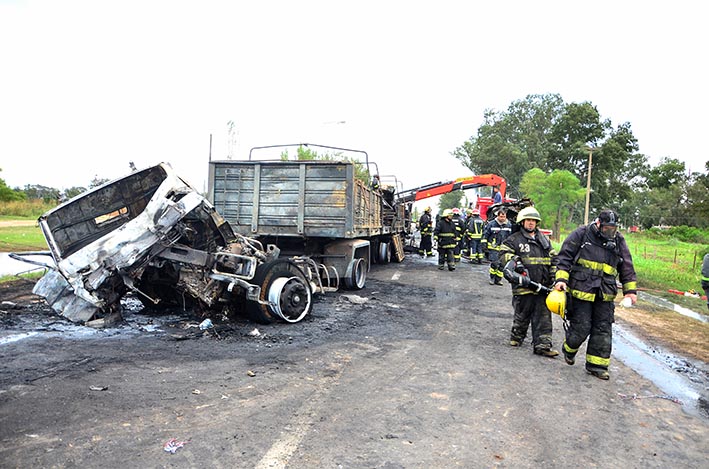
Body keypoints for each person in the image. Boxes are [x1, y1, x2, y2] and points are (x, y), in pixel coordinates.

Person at [553, 209, 638, 380]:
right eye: (606, 228)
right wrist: (561, 279)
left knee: (603, 329)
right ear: (598, 224)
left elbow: (626, 266)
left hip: (605, 293)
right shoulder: (581, 234)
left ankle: (597, 366)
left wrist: (630, 292)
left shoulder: (618, 240)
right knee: (581, 328)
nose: (609, 232)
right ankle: (569, 348)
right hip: (581, 291)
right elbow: (564, 258)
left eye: (613, 229)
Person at [500, 207, 559, 357]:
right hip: (523, 286)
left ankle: (543, 345)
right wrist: (515, 262)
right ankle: (517, 336)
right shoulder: (514, 239)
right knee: (522, 313)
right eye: (528, 220)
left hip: (543, 285)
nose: (531, 223)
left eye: (533, 220)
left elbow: (553, 258)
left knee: (543, 316)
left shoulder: (544, 240)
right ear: (522, 222)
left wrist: (554, 274)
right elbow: (504, 253)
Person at [482, 209, 512, 285]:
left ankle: (498, 280)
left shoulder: (509, 225)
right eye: (501, 216)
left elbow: (511, 237)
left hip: (504, 249)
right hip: (493, 248)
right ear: (497, 216)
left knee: (502, 266)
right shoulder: (491, 224)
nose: (502, 218)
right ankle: (492, 278)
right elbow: (486, 234)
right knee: (495, 264)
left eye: (504, 216)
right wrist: (484, 244)